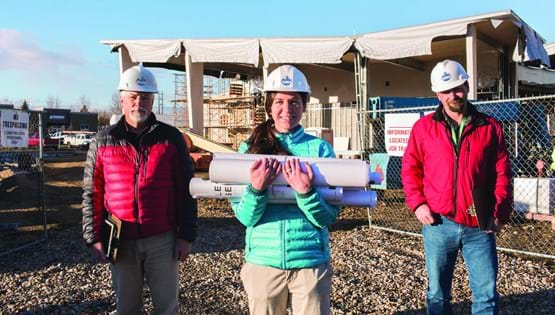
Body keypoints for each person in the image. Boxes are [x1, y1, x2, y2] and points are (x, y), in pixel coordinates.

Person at [82, 64, 197, 314]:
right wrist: (93, 236)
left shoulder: (171, 139)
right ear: (121, 99)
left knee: (167, 308)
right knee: (127, 308)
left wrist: (185, 235)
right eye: (133, 97)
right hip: (121, 240)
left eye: (145, 97)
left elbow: (186, 190)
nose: (138, 103)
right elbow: (92, 194)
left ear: (153, 100)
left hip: (162, 239)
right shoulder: (103, 140)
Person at [401, 59, 512, 314]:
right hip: (439, 223)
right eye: (447, 90)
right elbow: (410, 169)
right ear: (438, 94)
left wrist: (500, 212)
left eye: (458, 87)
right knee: (438, 294)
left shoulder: (490, 127)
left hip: (479, 224)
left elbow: (503, 173)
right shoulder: (423, 128)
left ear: (467, 86)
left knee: (486, 295)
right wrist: (417, 204)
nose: (454, 95)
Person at [231, 65, 339, 315]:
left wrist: (306, 193)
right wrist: (257, 190)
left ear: (304, 105)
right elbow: (246, 217)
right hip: (263, 264)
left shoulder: (320, 150)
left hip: (310, 264)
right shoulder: (251, 149)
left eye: (294, 102)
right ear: (269, 105)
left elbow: (328, 217)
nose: (286, 109)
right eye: (279, 101)